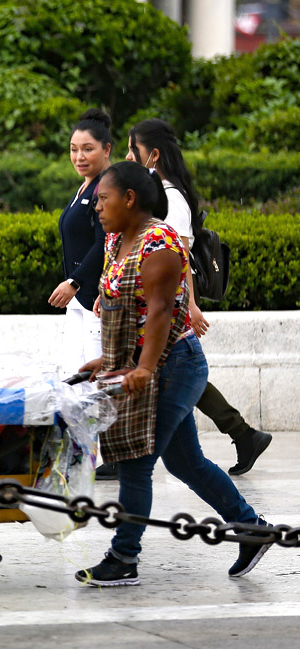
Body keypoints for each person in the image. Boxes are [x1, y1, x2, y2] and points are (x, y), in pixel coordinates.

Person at [75, 162, 269, 587]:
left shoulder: (158, 242)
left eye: (104, 199)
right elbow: (123, 310)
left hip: (175, 365)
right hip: (144, 365)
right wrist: (106, 362)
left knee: (135, 462)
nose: (98, 208)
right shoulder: (115, 241)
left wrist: (144, 366)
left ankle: (124, 557)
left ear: (130, 199)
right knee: (186, 463)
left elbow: (161, 309)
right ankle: (252, 528)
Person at [125, 119, 272, 475]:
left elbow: (179, 257)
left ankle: (237, 435)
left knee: (176, 372)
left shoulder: (170, 198)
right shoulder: (159, 193)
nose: (129, 156)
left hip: (169, 304)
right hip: (158, 303)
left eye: (134, 150)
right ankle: (242, 434)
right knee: (175, 374)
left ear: (153, 155)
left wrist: (189, 306)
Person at [49, 108, 112, 375]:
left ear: (106, 149)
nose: (79, 157)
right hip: (79, 298)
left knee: (97, 383)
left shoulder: (106, 187)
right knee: (74, 378)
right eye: (74, 149)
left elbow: (103, 243)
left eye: (88, 149)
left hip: (96, 299)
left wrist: (75, 280)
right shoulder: (85, 186)